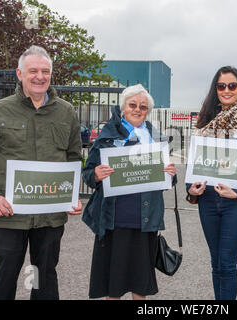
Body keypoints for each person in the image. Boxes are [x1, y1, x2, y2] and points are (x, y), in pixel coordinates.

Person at [0, 45, 83, 300]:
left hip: (50, 216)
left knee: (43, 279)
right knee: (4, 278)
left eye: (45, 71)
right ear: (19, 74)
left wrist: (71, 195)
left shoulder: (66, 113)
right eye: (33, 71)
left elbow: (74, 158)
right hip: (8, 214)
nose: (40, 76)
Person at [82, 84, 176, 300]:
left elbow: (166, 178)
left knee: (140, 284)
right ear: (123, 107)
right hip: (114, 219)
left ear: (147, 111)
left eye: (143, 107)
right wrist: (96, 174)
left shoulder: (156, 138)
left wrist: (171, 174)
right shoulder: (107, 135)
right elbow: (88, 173)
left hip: (144, 220)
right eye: (132, 105)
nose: (137, 109)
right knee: (113, 285)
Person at [186, 66, 237, 300]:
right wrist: (190, 189)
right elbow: (196, 159)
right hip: (208, 200)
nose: (227, 90)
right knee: (216, 263)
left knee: (228, 263)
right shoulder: (205, 120)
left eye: (232, 85)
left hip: (235, 202)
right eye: (221, 86)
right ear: (216, 89)